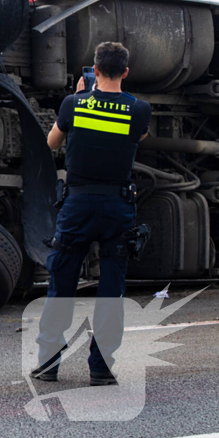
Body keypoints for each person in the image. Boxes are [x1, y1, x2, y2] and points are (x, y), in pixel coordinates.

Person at [31, 41, 151, 387]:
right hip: (116, 208)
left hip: (77, 206)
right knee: (111, 290)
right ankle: (100, 368)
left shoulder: (73, 104)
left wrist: (81, 97)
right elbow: (137, 138)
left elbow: (51, 143)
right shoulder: (139, 109)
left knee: (62, 285)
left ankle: (49, 364)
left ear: (95, 70)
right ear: (125, 72)